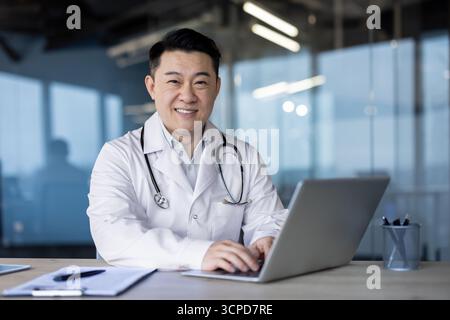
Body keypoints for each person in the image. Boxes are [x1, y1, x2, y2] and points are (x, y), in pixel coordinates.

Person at [87, 28, 287, 273]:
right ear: (151, 87)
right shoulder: (118, 156)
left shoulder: (244, 156)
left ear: (216, 87)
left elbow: (267, 219)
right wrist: (198, 253)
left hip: (224, 292)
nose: (188, 96)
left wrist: (267, 238)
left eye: (201, 83)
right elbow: (113, 234)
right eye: (174, 81)